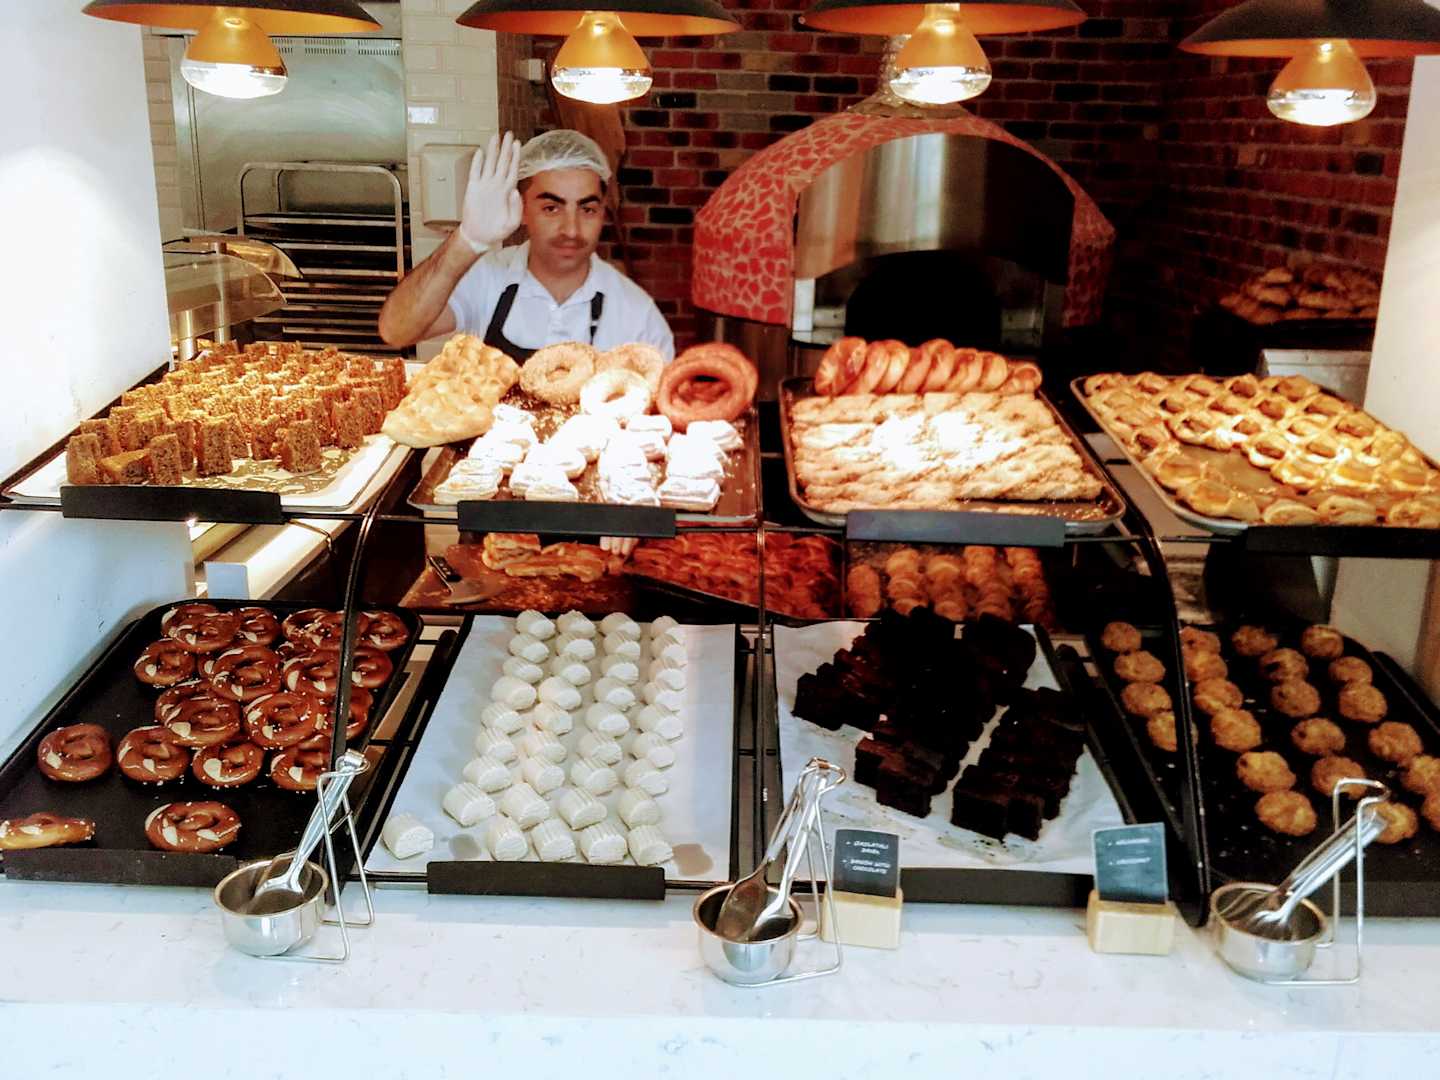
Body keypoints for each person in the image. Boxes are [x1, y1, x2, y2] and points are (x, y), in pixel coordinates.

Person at [378, 129, 674, 362]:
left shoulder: (637, 315)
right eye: (551, 208)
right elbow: (396, 331)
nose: (571, 230)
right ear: (521, 209)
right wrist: (466, 240)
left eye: (587, 209)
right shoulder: (486, 278)